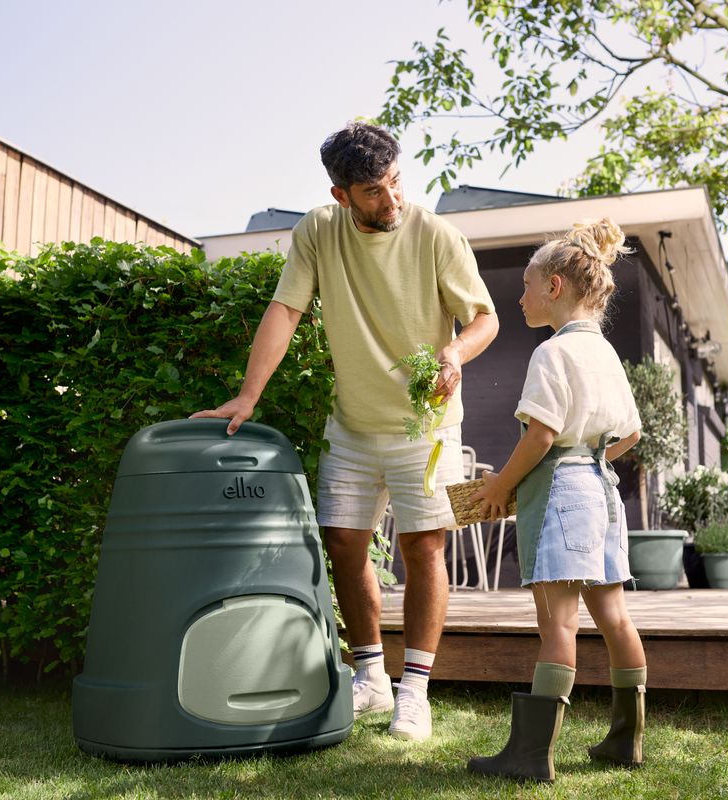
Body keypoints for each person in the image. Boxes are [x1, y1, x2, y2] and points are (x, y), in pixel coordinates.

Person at [191, 122, 498, 741]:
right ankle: (371, 678)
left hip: (426, 425)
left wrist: (455, 354)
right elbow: (286, 309)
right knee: (343, 544)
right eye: (373, 192)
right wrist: (250, 394)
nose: (391, 201)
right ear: (341, 196)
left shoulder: (435, 234)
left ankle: (415, 690)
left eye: (394, 183)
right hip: (353, 425)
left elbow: (484, 318)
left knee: (424, 548)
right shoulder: (318, 231)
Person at [467, 219, 647, 782]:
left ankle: (529, 756)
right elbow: (631, 435)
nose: (518, 296)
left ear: (554, 287)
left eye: (525, 284)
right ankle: (626, 742)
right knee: (615, 616)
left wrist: (499, 486)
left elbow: (541, 435)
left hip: (564, 490)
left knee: (558, 625)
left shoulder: (552, 354)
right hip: (602, 489)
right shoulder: (608, 354)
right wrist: (589, 460)